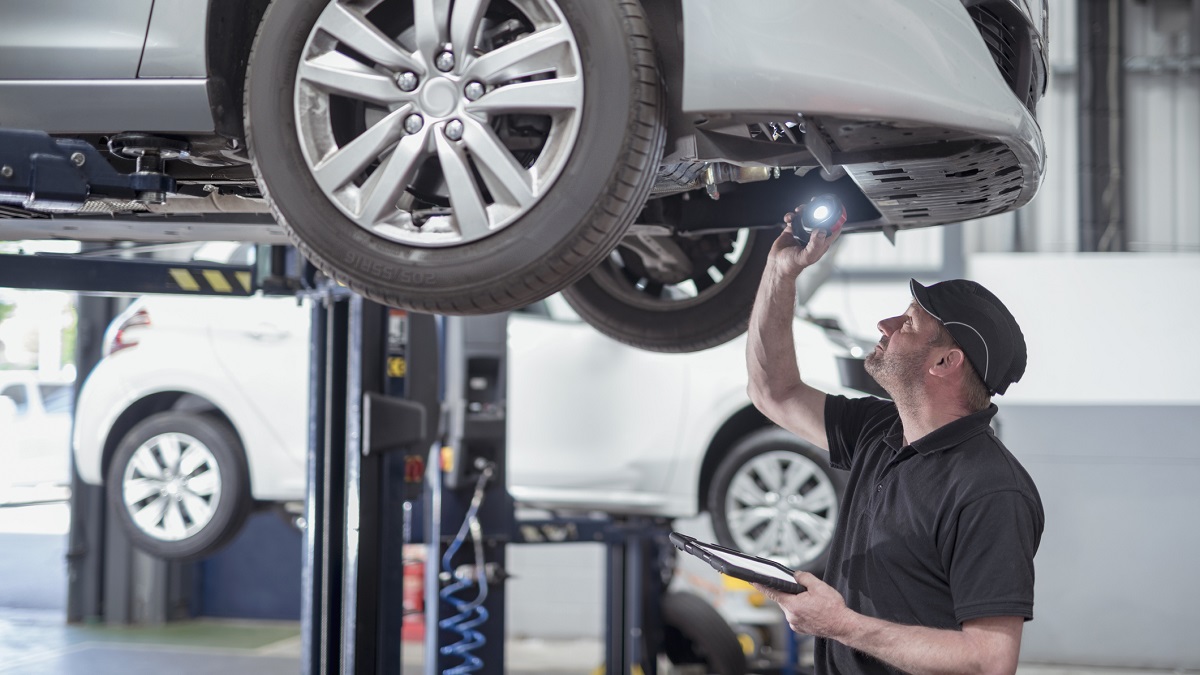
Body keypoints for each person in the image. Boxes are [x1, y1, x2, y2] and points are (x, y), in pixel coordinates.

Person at [745, 211, 1044, 674]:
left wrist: (840, 624)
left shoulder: (990, 492)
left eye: (907, 323)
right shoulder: (879, 431)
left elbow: (989, 662)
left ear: (945, 361)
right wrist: (780, 274)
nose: (884, 325)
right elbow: (774, 391)